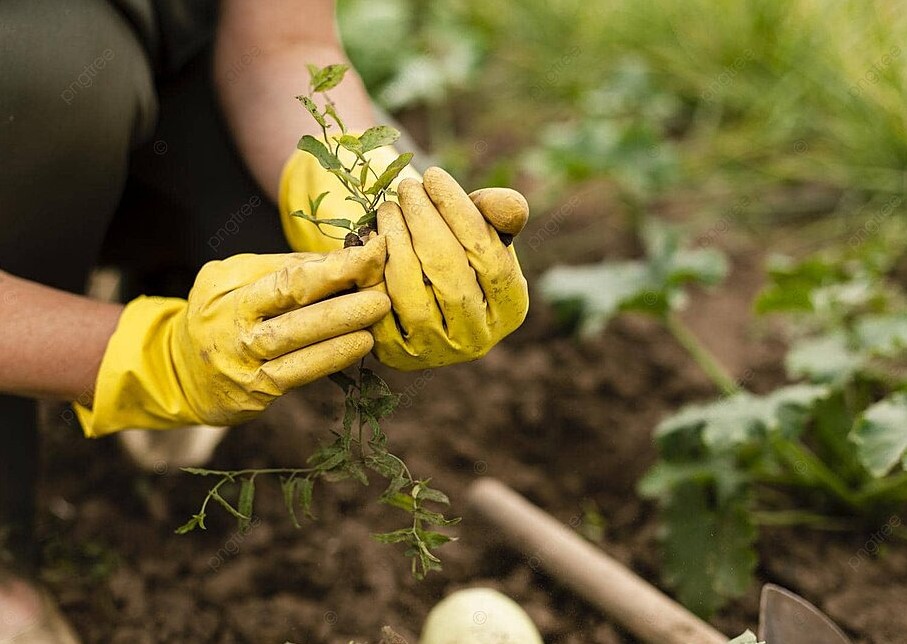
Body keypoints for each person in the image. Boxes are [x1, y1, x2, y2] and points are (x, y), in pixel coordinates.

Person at [0, 0, 529, 640]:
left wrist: (360, 209)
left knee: (317, 201)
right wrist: (145, 355)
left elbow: (282, 41)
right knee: (47, 75)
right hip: (41, 100)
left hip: (150, 93)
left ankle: (142, 276)